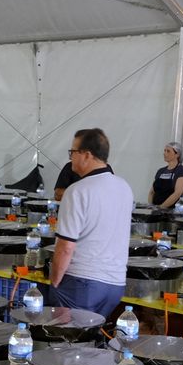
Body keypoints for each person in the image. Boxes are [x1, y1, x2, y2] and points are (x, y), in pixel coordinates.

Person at [49, 128, 131, 316]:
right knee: (91, 340)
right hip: (115, 283)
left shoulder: (77, 191)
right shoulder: (124, 187)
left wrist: (54, 281)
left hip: (81, 282)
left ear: (87, 155)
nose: (71, 158)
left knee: (66, 341)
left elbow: (66, 246)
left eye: (73, 152)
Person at [149, 142, 183, 208]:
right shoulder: (160, 171)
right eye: (164, 151)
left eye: (168, 151)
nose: (165, 153)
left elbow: (177, 193)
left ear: (177, 154)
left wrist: (161, 207)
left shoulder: (181, 171)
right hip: (155, 210)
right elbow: (151, 192)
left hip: (171, 212)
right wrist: (150, 206)